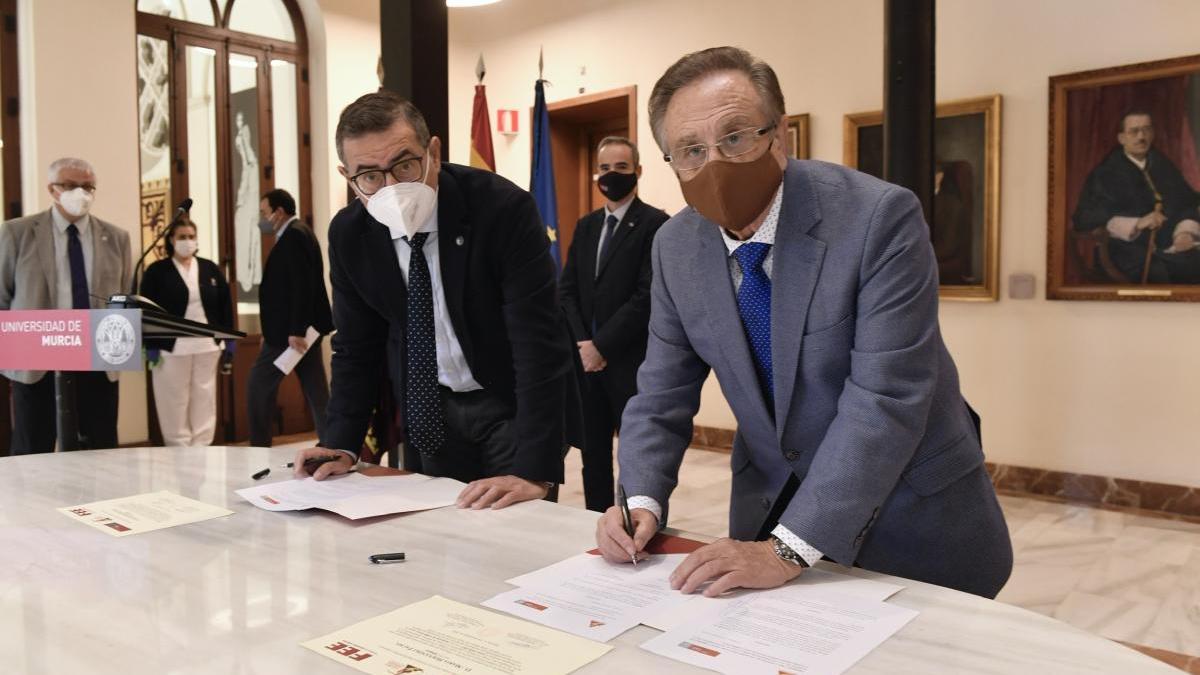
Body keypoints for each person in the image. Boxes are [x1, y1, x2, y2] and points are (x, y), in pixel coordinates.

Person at [594, 47, 1013, 599]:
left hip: (909, 514)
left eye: (737, 136)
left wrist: (788, 549)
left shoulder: (878, 218)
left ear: (781, 134)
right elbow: (660, 391)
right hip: (768, 508)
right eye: (691, 150)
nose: (715, 162)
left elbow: (886, 398)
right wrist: (639, 500)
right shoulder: (675, 246)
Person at [292, 90, 580, 510]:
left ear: (434, 152)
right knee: (440, 541)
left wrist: (534, 468)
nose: (391, 187)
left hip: (509, 403)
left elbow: (538, 343)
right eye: (369, 176)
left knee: (511, 536)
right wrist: (340, 443)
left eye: (405, 165)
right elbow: (356, 348)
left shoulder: (502, 209)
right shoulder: (349, 234)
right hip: (431, 405)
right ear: (347, 176)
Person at [559, 136, 668, 511]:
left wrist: (600, 346)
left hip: (630, 364)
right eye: (605, 168)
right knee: (593, 457)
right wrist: (582, 345)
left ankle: (635, 525)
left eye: (621, 168)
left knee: (637, 459)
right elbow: (567, 290)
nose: (612, 175)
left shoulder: (656, 224)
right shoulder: (587, 226)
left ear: (637, 171)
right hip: (586, 366)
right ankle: (595, 523)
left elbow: (646, 296)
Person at [0, 157, 131, 452]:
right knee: (33, 449)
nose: (80, 193)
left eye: (87, 186)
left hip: (96, 358)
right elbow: (3, 298)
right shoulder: (17, 233)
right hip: (36, 359)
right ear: (52, 189)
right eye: (70, 185)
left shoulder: (117, 238)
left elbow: (124, 296)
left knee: (100, 449)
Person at [246, 189, 333, 447]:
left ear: (278, 212)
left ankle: (258, 447)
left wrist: (295, 329)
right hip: (299, 330)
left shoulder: (294, 235)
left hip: (293, 334)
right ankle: (333, 443)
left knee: (258, 385)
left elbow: (301, 285)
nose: (262, 219)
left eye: (264, 212)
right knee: (316, 391)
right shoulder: (297, 234)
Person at [1073, 111, 1200, 284]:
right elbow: (1084, 218)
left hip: (1171, 245)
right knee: (1160, 273)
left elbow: (1188, 203)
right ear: (1121, 138)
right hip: (1124, 251)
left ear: (1153, 133)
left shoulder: (1164, 165)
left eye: (1146, 130)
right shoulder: (1105, 173)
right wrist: (1137, 223)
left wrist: (1184, 233)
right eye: (1134, 131)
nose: (1142, 137)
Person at [139, 217, 234, 446]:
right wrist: (150, 344)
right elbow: (146, 311)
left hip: (207, 346)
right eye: (182, 237)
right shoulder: (157, 271)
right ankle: (178, 447)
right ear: (171, 240)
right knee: (173, 400)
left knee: (205, 397)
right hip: (172, 348)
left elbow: (225, 306)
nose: (187, 241)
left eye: (191, 236)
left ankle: (202, 446)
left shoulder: (210, 268)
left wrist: (229, 341)